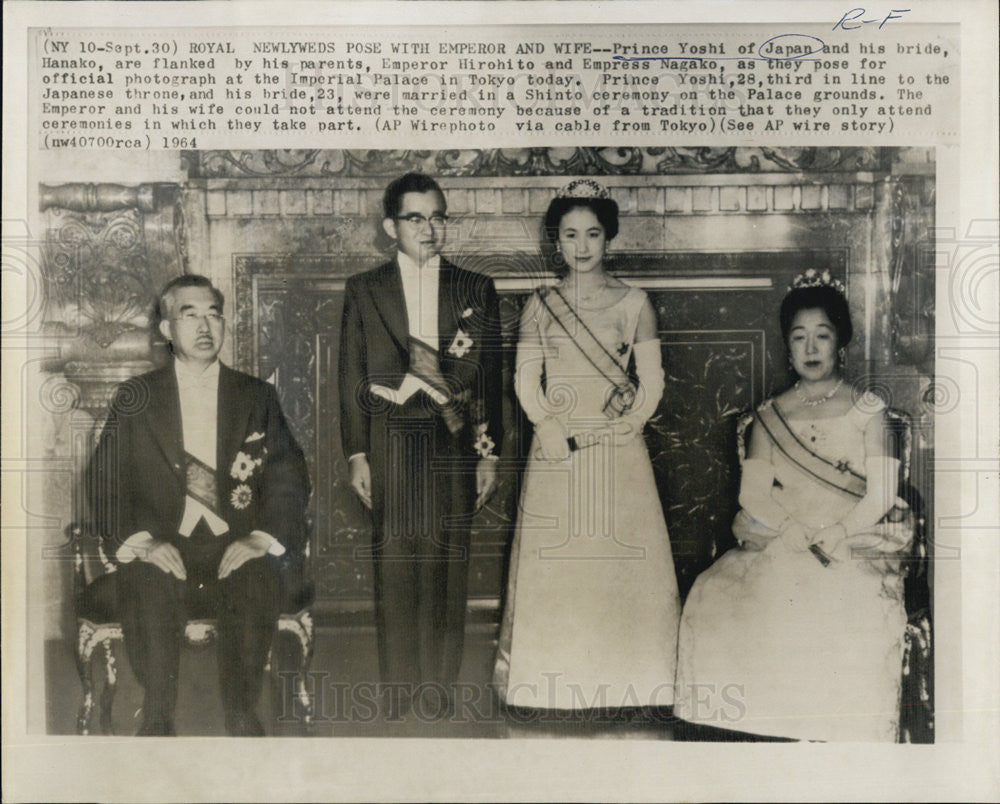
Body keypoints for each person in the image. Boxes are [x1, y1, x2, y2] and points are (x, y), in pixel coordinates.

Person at [673, 271, 915, 742]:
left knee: (841, 608)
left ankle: (833, 735)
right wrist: (790, 529)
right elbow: (754, 495)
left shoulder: (869, 411)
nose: (810, 348)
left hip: (851, 540)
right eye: (799, 337)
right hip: (785, 537)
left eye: (821, 336)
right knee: (718, 595)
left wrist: (840, 533)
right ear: (787, 345)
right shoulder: (769, 416)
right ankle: (760, 732)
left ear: (839, 341)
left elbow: (882, 493)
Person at [86, 274, 310, 736]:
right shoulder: (136, 397)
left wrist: (258, 538)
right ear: (167, 330)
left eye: (213, 314)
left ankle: (242, 714)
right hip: (164, 544)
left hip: (234, 544)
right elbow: (105, 481)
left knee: (255, 575)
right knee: (148, 577)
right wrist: (143, 542)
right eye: (190, 315)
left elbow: (288, 477)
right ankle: (158, 717)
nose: (205, 326)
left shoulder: (256, 396)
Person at [493, 179, 681, 713]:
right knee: (562, 565)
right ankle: (551, 685)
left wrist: (630, 424)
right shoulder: (540, 304)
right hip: (556, 448)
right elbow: (526, 379)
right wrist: (547, 425)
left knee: (616, 568)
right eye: (570, 234)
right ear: (556, 240)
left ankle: (631, 684)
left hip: (618, 447)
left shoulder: (635, 302)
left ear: (609, 238)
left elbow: (653, 382)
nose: (581, 246)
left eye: (593, 234)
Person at [338, 172, 503, 716]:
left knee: (447, 561)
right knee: (396, 562)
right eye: (415, 218)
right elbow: (349, 374)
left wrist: (488, 453)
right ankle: (398, 690)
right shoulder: (365, 289)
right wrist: (357, 453)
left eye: (438, 217)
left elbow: (490, 379)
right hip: (388, 437)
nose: (429, 229)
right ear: (391, 228)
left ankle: (439, 690)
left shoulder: (475, 289)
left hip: (453, 437)